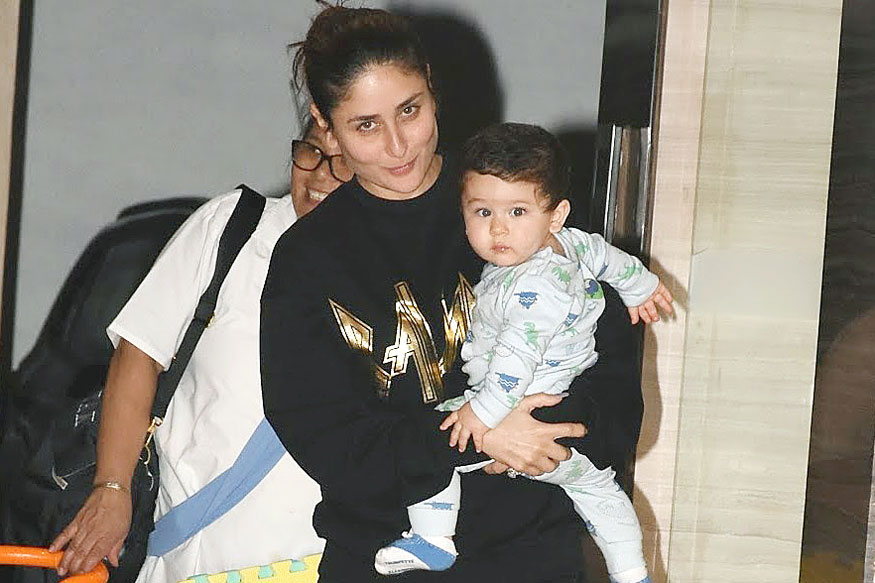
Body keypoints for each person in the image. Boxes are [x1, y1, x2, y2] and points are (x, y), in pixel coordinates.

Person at [260, 6, 648, 582]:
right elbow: (327, 439)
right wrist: (480, 438)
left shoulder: (515, 198)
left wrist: (548, 431)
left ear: (431, 87)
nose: (397, 146)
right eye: (365, 125)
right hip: (380, 560)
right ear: (325, 122)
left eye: (409, 110)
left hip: (533, 557)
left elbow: (613, 385)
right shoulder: (306, 259)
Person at [49, 120, 348, 583]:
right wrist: (112, 487)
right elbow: (139, 352)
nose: (321, 174)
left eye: (343, 161)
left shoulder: (400, 267)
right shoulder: (232, 228)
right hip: (198, 560)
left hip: (334, 561)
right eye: (310, 151)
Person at [374, 123, 672, 583]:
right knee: (600, 491)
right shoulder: (571, 244)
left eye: (517, 211)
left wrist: (482, 417)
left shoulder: (532, 288)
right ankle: (632, 573)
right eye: (482, 212)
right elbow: (609, 258)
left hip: (523, 404)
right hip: (561, 415)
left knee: (432, 444)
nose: (498, 228)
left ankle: (433, 536)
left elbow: (515, 362)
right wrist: (642, 288)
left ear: (555, 214)